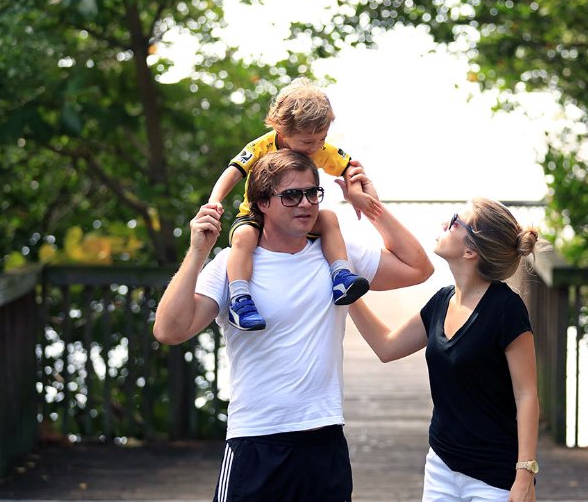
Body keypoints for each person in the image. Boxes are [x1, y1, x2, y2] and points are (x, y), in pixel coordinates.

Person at [153, 150, 434, 502]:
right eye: (290, 195)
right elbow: (169, 331)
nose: (305, 204)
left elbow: (418, 268)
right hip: (255, 442)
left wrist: (370, 205)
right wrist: (197, 253)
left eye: (312, 193)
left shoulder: (337, 256)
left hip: (324, 441)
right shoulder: (232, 264)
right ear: (261, 203)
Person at [348, 198, 541, 502]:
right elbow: (386, 346)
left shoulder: (507, 309)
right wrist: (347, 292)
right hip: (441, 467)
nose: (443, 225)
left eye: (454, 221)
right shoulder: (441, 301)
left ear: (470, 251)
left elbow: (527, 395)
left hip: (494, 476)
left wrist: (525, 475)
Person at [207, 77, 381, 331]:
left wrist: (355, 192)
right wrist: (214, 201)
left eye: (322, 139)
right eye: (308, 142)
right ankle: (240, 299)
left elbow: (351, 168)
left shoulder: (319, 147)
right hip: (256, 215)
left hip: (295, 218)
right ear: (281, 131)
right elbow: (234, 171)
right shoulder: (262, 146)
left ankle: (341, 275)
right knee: (243, 235)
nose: (316, 147)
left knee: (329, 218)